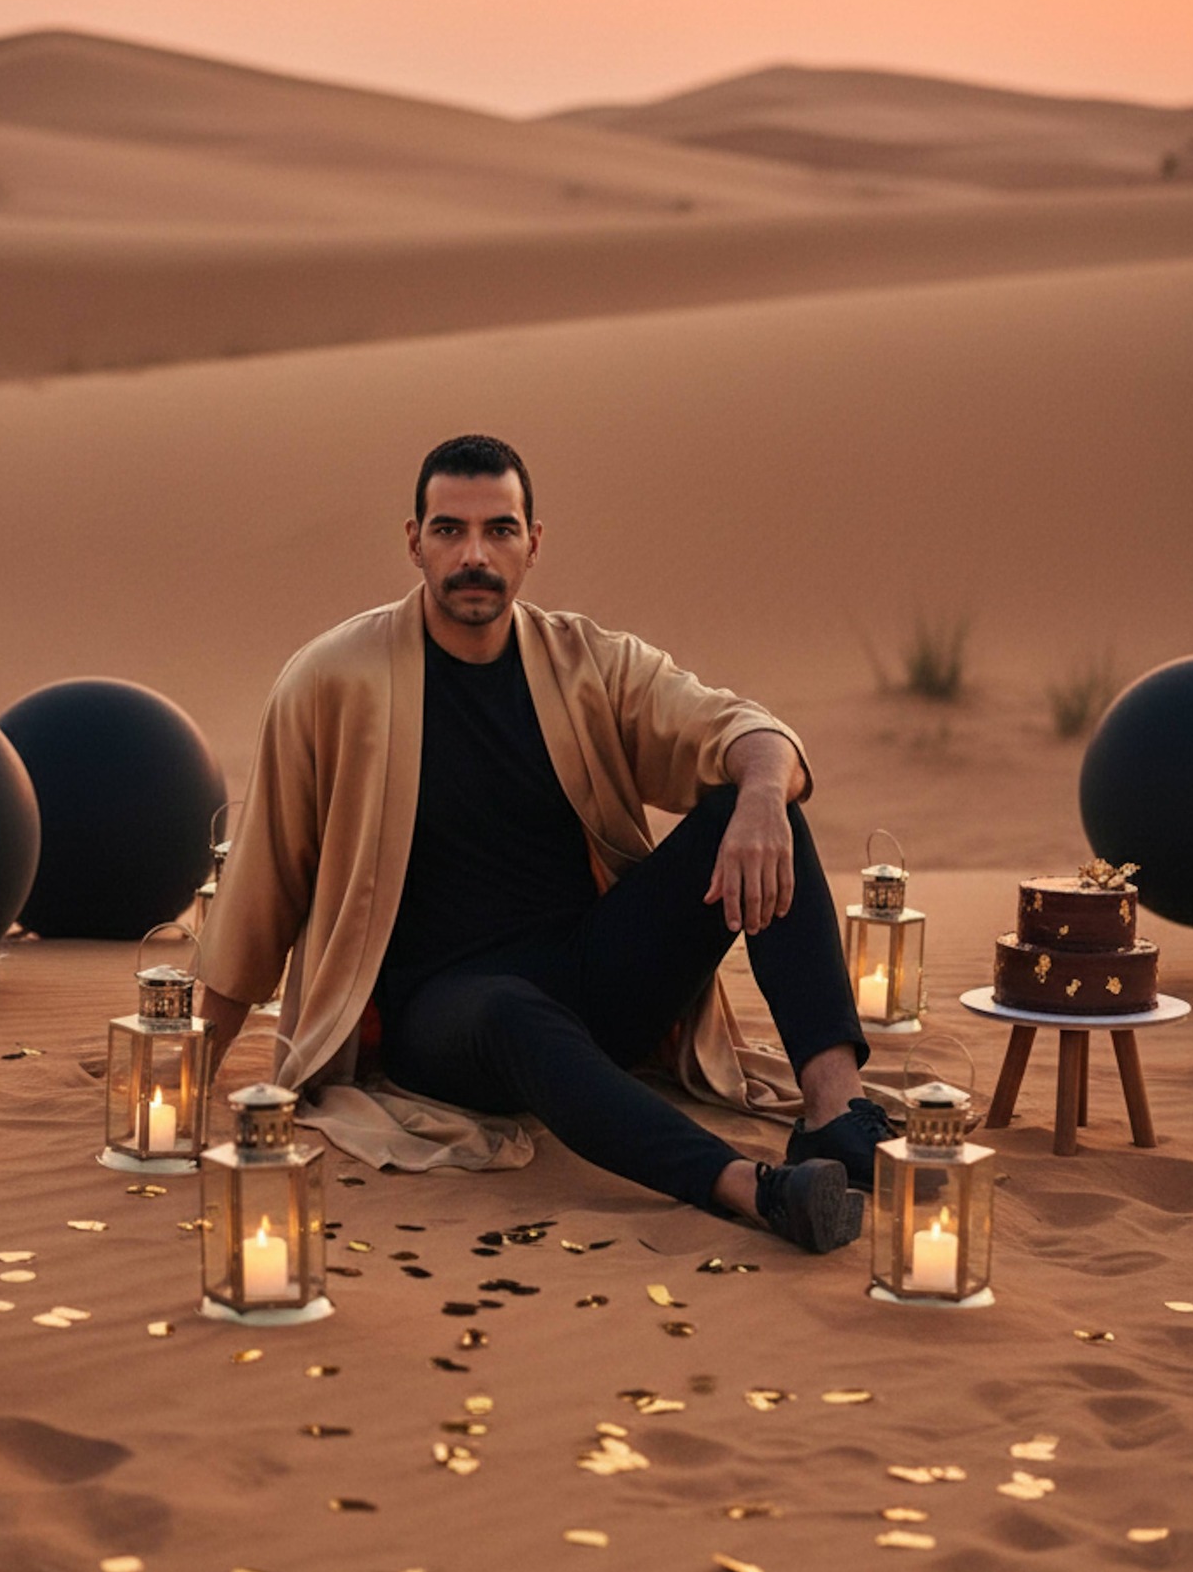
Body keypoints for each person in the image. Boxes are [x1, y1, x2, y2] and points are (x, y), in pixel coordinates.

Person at [197, 434, 895, 1252]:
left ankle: (835, 1118)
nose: (473, 556)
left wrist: (763, 796)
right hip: (445, 1017)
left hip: (594, 978)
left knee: (758, 813)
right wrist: (188, 1075)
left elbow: (745, 729)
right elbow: (265, 885)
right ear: (413, 541)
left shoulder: (584, 663)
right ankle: (749, 1188)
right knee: (509, 1009)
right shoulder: (331, 680)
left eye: (498, 530)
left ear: (533, 543)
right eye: (450, 531)